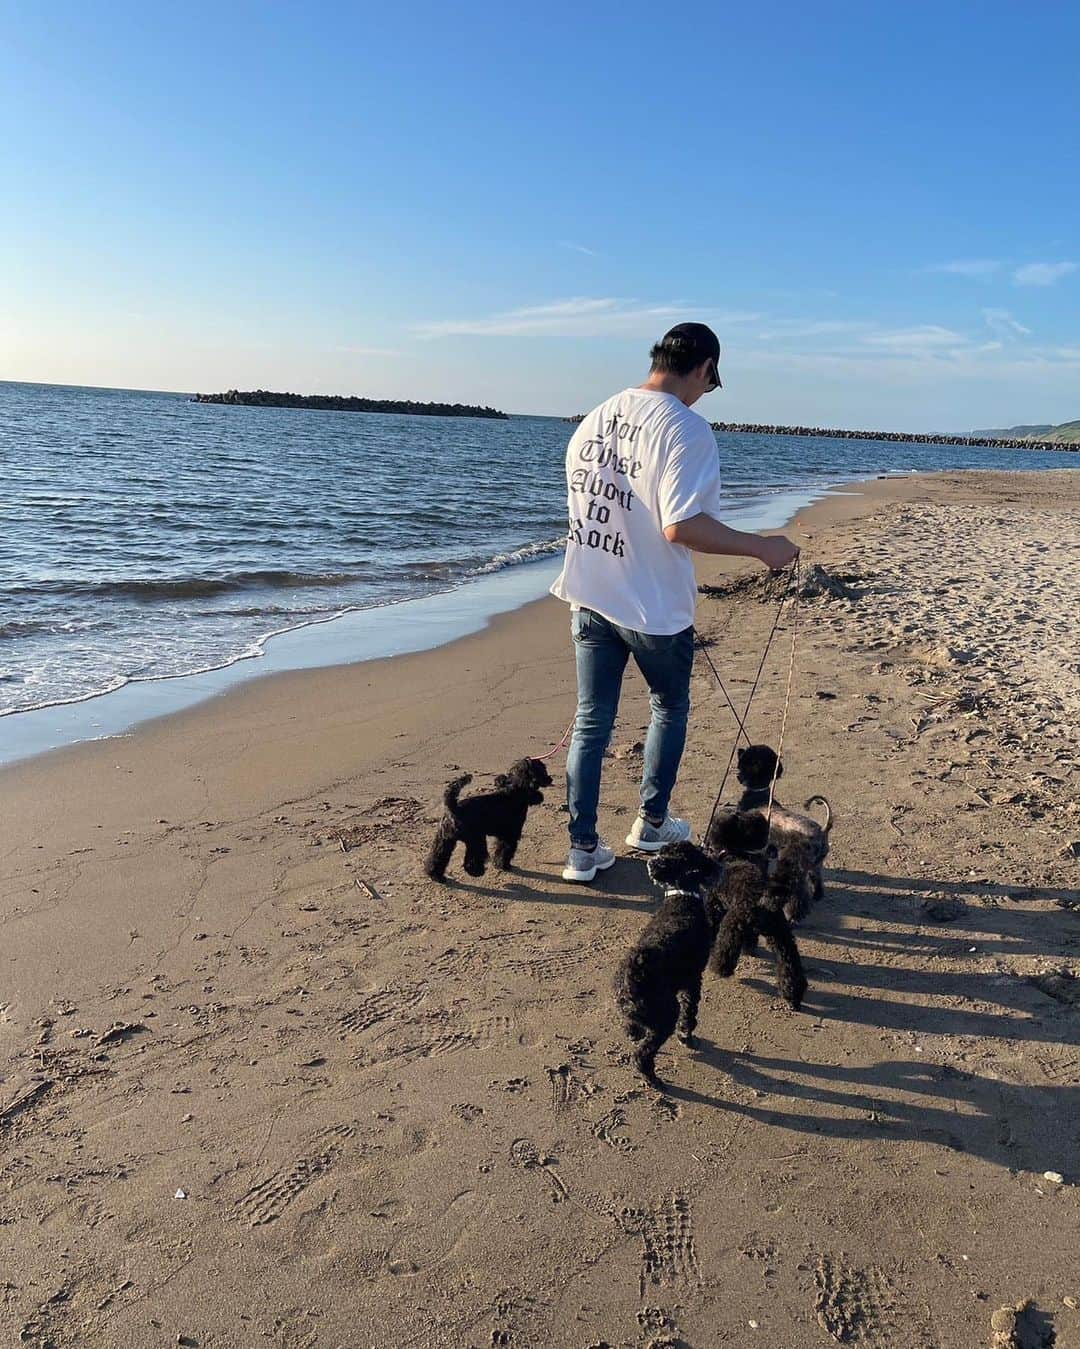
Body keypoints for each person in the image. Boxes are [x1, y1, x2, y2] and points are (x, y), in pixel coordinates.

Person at [550, 322, 799, 883]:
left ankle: (582, 850)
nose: (706, 392)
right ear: (705, 367)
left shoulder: (595, 417)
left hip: (589, 593)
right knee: (667, 707)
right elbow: (680, 525)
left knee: (592, 722)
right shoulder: (687, 429)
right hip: (653, 609)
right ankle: (651, 822)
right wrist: (762, 548)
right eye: (711, 382)